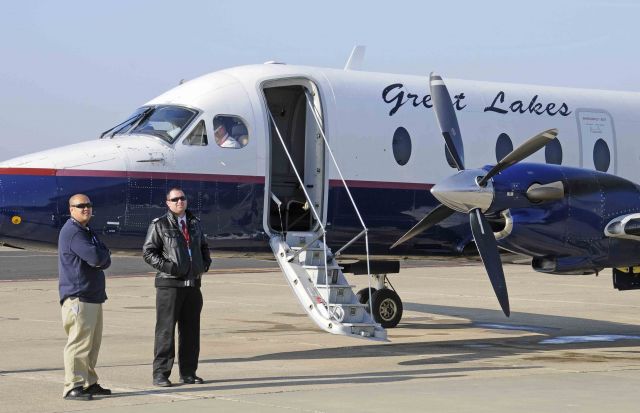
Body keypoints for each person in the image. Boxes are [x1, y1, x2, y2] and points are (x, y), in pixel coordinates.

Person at [143, 187, 212, 387]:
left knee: (191, 332)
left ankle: (188, 373)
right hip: (169, 285)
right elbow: (149, 252)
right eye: (175, 199)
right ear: (168, 203)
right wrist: (170, 268)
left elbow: (203, 247)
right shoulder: (160, 225)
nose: (179, 202)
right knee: (165, 331)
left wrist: (204, 264)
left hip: (192, 285)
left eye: (182, 198)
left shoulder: (194, 224)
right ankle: (161, 374)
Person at [58, 194, 112, 401]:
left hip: (92, 295)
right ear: (71, 209)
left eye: (88, 205)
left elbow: (103, 256)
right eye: (80, 206)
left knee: (92, 344)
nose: (86, 209)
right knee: (79, 343)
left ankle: (88, 382)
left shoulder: (86, 230)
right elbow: (98, 257)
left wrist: (103, 256)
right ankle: (73, 386)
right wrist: (103, 256)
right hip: (79, 296)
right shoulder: (73, 232)